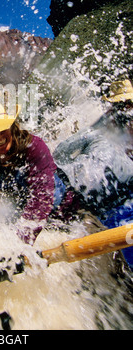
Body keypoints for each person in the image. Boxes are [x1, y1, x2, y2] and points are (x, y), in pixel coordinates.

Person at [0, 94, 79, 246]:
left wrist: (18, 248)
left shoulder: (34, 147)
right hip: (26, 225)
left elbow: (41, 198)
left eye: (2, 128)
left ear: (11, 126)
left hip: (65, 217)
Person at [53, 79, 133, 268]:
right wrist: (77, 173)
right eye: (122, 105)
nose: (127, 110)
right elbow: (60, 153)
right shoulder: (98, 131)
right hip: (102, 207)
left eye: (129, 104)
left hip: (118, 204)